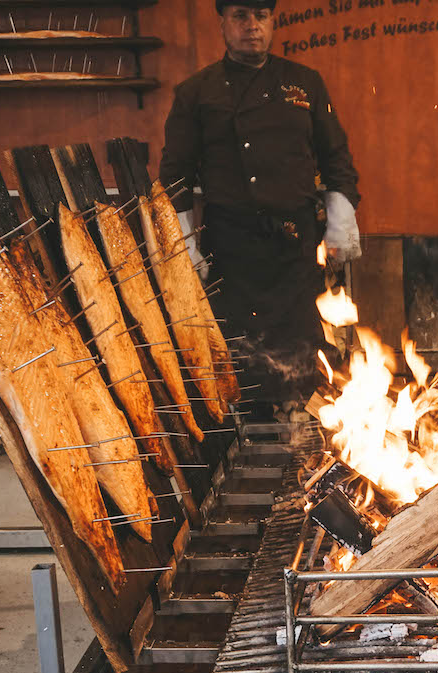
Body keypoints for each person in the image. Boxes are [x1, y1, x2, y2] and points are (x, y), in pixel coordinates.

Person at [159, 0, 361, 410]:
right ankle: (251, 435)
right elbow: (176, 173)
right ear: (223, 23)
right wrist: (184, 244)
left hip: (296, 246)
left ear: (272, 22)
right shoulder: (197, 92)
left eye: (261, 16)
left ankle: (308, 436)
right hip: (232, 249)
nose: (252, 26)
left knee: (303, 345)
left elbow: (336, 157)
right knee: (242, 348)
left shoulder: (305, 82)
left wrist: (341, 224)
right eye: (240, 16)